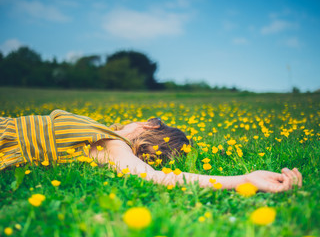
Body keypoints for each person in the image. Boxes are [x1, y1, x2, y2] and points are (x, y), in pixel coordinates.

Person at [0, 109, 302, 193]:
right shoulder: (108, 135)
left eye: (152, 121)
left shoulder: (113, 145)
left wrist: (244, 179)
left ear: (151, 127)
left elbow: (159, 178)